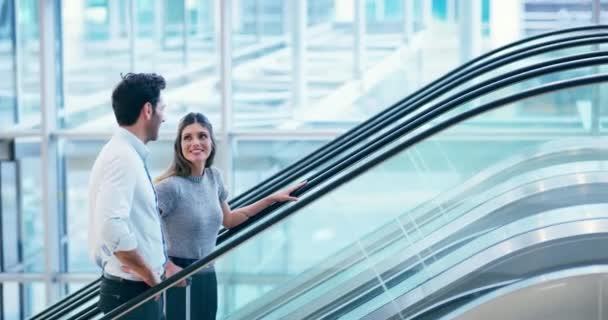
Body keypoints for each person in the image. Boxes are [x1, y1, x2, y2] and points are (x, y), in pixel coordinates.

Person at [155, 112, 306, 319]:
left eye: (202, 136)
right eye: (187, 137)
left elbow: (230, 219)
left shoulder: (213, 177)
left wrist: (272, 199)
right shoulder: (170, 187)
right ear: (179, 146)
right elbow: (143, 229)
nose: (195, 142)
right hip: (180, 278)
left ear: (211, 143)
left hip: (207, 273)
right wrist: (167, 265)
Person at [88, 73, 183, 319]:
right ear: (148, 110)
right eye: (163, 108)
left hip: (134, 289)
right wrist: (149, 274)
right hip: (132, 292)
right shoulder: (123, 158)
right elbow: (111, 226)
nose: (165, 116)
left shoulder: (123, 153)